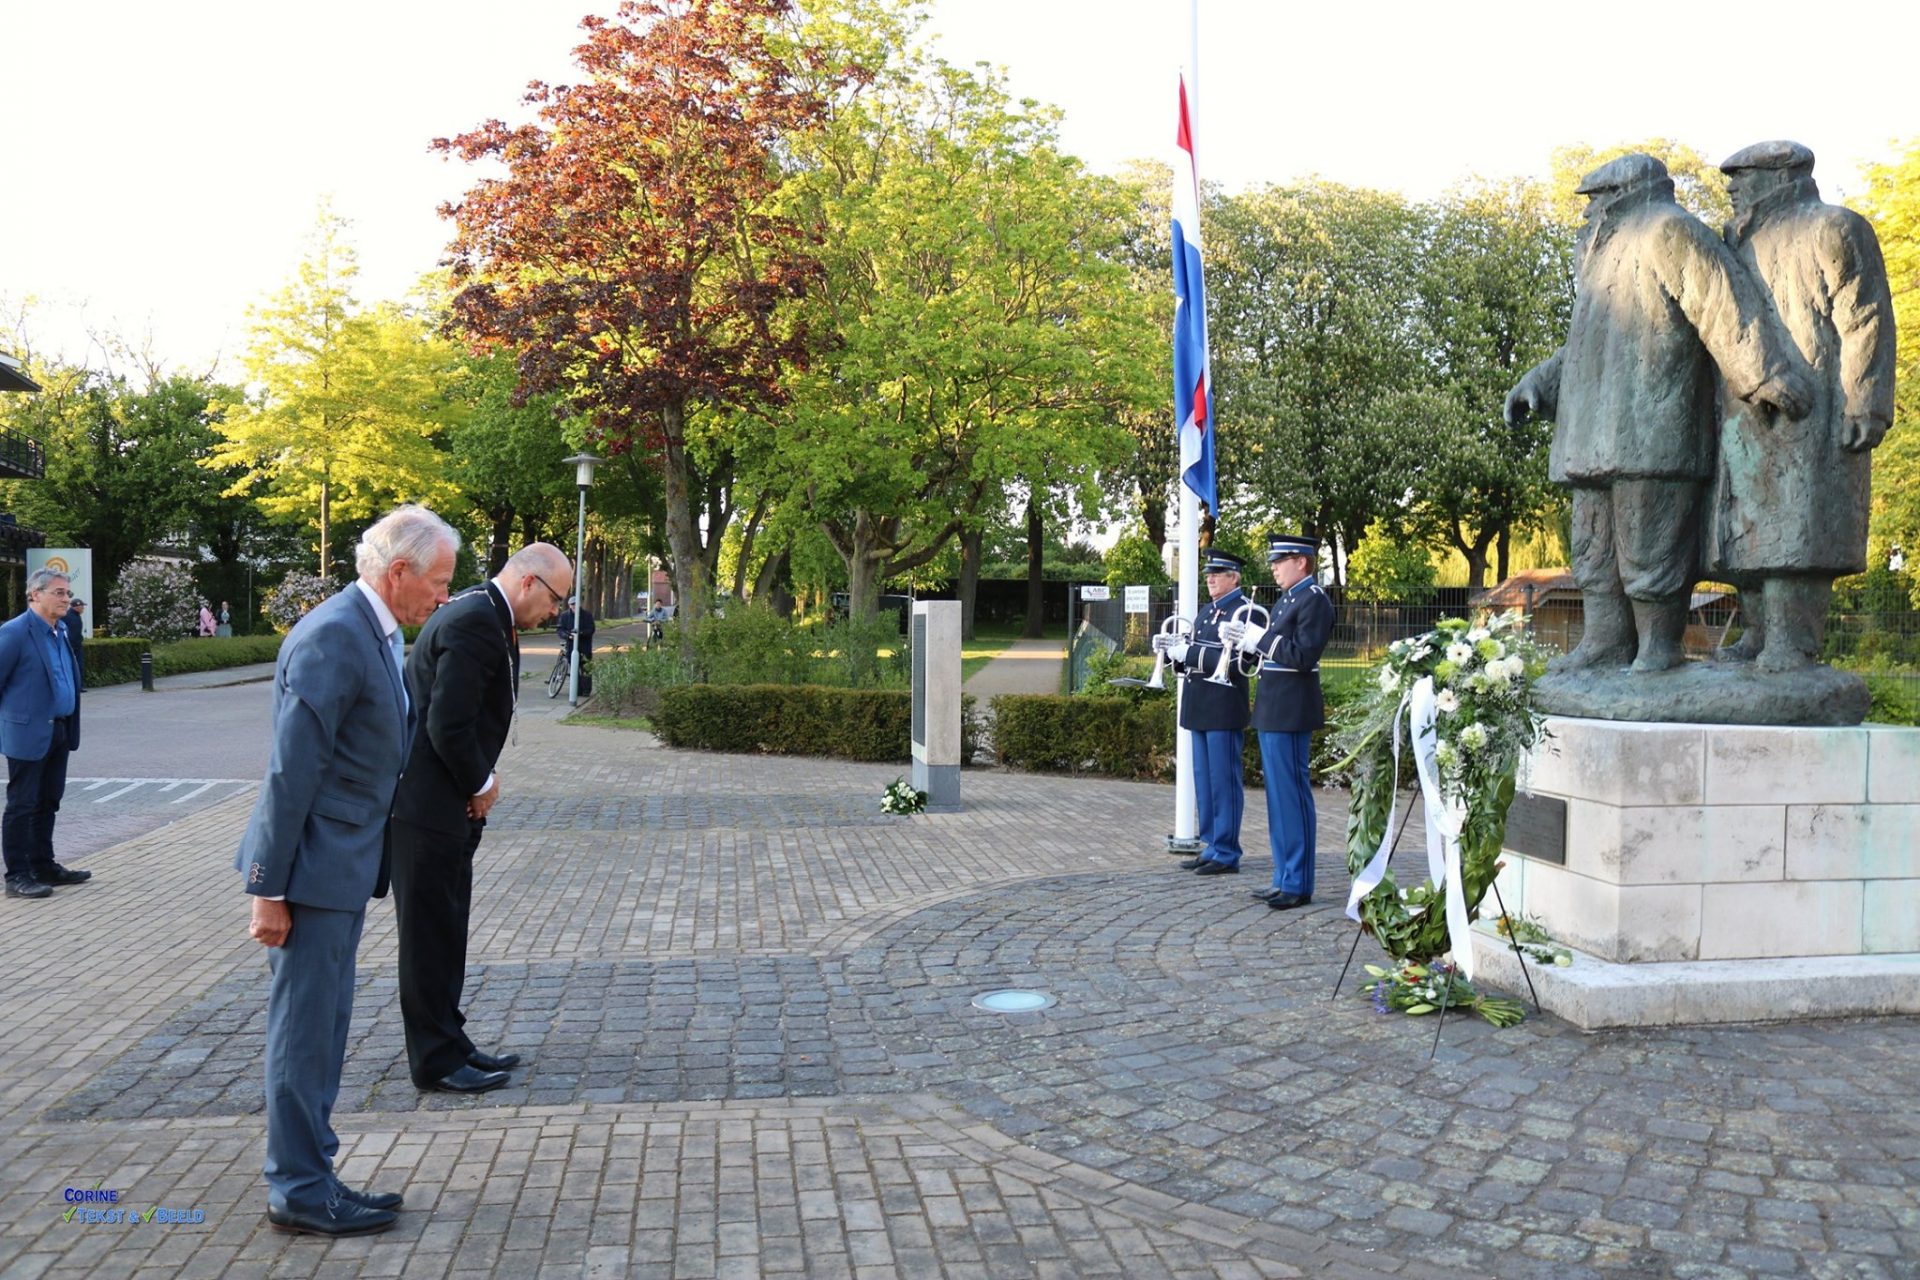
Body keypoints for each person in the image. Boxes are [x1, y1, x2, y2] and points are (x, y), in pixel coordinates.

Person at [234, 505, 457, 1237]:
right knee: (305, 1033)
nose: (442, 597)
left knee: (325, 1029)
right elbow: (289, 772)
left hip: (341, 867)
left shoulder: (370, 629)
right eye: (439, 581)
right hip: (309, 876)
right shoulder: (336, 636)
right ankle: (298, 1188)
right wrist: (268, 887)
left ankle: (313, 1173)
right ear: (399, 573)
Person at [1505, 153, 1811, 673]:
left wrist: (1762, 374)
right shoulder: (1602, 256)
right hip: (1592, 436)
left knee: (1651, 553)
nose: (1587, 214)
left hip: (1655, 433)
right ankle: (1605, 642)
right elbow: (1585, 347)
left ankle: (1658, 648)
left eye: (1594, 201)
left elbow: (1723, 307)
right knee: (1594, 552)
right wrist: (1540, 381)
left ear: (1621, 193)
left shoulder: (1671, 231)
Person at [1707, 140, 1898, 672]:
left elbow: (1866, 319)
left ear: (1783, 174)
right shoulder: (1732, 241)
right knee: (1746, 529)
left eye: (1743, 175)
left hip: (1815, 407)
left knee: (1799, 527)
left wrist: (1866, 402)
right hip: (1745, 410)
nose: (1733, 186)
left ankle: (1792, 645)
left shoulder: (1835, 227)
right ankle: (1758, 635)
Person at [389, 542, 572, 1095]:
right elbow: (448, 724)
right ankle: (436, 1060)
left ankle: (452, 1041)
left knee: (446, 931)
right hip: (427, 806)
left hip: (441, 804)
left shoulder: (484, 614)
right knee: (429, 938)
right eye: (557, 600)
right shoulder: (474, 620)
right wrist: (482, 783)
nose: (556, 613)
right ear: (529, 583)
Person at [1224, 536, 1334, 910]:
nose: (1273, 566)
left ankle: (1299, 882)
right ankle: (1283, 875)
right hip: (1274, 707)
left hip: (1291, 709)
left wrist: (1262, 639)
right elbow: (1274, 651)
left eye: (1280, 559)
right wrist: (1248, 643)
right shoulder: (1289, 598)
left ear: (1302, 562)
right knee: (1278, 800)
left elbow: (1302, 656)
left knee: (1292, 797)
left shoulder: (1314, 599)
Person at [1152, 549, 1251, 875]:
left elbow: (1238, 664)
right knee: (1205, 781)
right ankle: (1212, 843)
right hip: (1200, 703)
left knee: (1224, 781)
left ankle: (1226, 850)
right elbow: (1190, 657)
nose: (1209, 578)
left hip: (1222, 706)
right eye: (1208, 573)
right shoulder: (1208, 611)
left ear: (1233, 577)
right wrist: (1171, 652)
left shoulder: (1243, 612)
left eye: (1217, 573)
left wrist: (1189, 653)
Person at [1, 570, 89, 900]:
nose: (66, 599)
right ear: (35, 595)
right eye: (59, 593)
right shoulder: (14, 633)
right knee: (22, 804)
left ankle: (43, 864)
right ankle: (17, 875)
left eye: (67, 593)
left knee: (49, 801)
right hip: (28, 733)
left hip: (60, 729)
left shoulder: (61, 630)